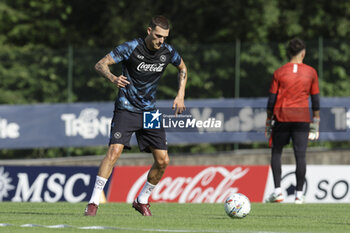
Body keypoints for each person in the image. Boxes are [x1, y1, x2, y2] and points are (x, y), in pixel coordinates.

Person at [84, 15, 187, 216]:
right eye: (158, 36)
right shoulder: (131, 47)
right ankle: (94, 202)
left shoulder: (168, 52)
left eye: (165, 37)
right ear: (149, 31)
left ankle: (142, 200)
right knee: (114, 152)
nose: (161, 41)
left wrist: (180, 94)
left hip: (150, 112)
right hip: (126, 108)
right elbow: (100, 64)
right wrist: (113, 78)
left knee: (163, 160)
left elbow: (183, 68)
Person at [265, 38, 320, 204]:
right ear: (303, 53)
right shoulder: (311, 72)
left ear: (288, 53)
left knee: (276, 152)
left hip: (282, 117)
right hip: (302, 118)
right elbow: (315, 100)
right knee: (300, 156)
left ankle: (277, 192)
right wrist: (316, 121)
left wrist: (269, 120)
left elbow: (271, 100)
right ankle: (298, 195)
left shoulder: (279, 72)